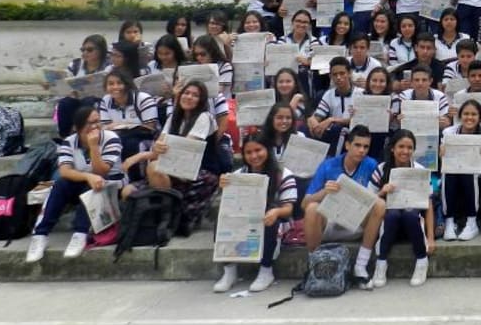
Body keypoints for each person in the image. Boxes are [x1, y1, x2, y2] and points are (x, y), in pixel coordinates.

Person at [26, 106, 125, 263]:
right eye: (89, 123)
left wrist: (94, 147)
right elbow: (65, 171)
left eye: (97, 121)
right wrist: (87, 176)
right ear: (78, 127)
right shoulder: (69, 142)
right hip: (83, 182)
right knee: (61, 184)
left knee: (93, 183)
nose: (95, 126)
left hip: (110, 185)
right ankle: (40, 235)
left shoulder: (111, 138)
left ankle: (80, 233)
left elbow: (101, 171)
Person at [212, 133, 298, 293]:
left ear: (268, 149)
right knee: (222, 218)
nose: (254, 156)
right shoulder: (238, 175)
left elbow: (288, 209)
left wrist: (276, 211)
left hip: (275, 221)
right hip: (245, 220)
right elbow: (230, 204)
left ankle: (266, 270)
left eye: (258, 150)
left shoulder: (283, 174)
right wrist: (224, 186)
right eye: (248, 153)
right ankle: (230, 272)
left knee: (270, 218)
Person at [301, 125, 385, 289]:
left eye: (366, 147)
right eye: (357, 145)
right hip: (329, 224)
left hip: (357, 223)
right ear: (347, 145)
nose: (362, 150)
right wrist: (324, 192)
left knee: (380, 204)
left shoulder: (371, 164)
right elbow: (304, 204)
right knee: (312, 209)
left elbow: (376, 197)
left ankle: (360, 266)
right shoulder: (327, 165)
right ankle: (314, 264)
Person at [144, 79, 225, 235]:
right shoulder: (174, 117)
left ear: (201, 101)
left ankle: (166, 218)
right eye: (186, 93)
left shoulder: (205, 117)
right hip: (174, 166)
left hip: (201, 171)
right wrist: (155, 148)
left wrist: (159, 149)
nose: (189, 97)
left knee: (154, 168)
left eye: (195, 95)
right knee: (128, 190)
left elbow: (185, 150)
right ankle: (166, 216)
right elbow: (157, 149)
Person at [370, 130, 437, 287]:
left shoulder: (420, 170)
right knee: (392, 214)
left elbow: (428, 205)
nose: (405, 151)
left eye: (409, 147)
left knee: (409, 213)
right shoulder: (381, 169)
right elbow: (368, 201)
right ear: (392, 148)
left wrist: (431, 237)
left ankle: (421, 260)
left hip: (412, 223)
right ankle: (381, 263)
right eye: (401, 146)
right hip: (389, 225)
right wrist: (382, 192)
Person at [440, 99, 481, 241]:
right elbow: (444, 159)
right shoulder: (448, 132)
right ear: (460, 116)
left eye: (474, 114)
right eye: (466, 114)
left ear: (480, 117)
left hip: (479, 174)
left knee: (469, 174)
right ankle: (450, 221)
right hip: (454, 171)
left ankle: (471, 221)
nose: (469, 117)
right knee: (447, 173)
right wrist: (441, 152)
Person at [309, 57, 363, 155]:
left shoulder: (361, 94)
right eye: (335, 75)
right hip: (334, 134)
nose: (338, 77)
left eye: (342, 73)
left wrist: (332, 120)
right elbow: (318, 116)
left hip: (354, 133)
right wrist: (313, 122)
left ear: (350, 73)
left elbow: (358, 120)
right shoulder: (328, 94)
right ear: (330, 76)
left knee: (336, 129)